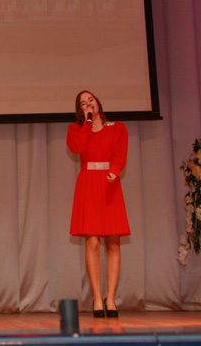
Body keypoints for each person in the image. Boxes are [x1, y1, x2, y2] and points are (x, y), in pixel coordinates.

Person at [66, 90, 129, 318]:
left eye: (90, 100)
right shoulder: (76, 130)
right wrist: (87, 124)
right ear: (80, 110)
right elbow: (78, 148)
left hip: (109, 185)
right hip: (89, 185)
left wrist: (114, 171)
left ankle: (110, 298)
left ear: (98, 102)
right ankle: (96, 296)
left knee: (113, 242)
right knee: (92, 242)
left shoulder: (117, 128)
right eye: (83, 104)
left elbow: (119, 156)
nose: (88, 105)